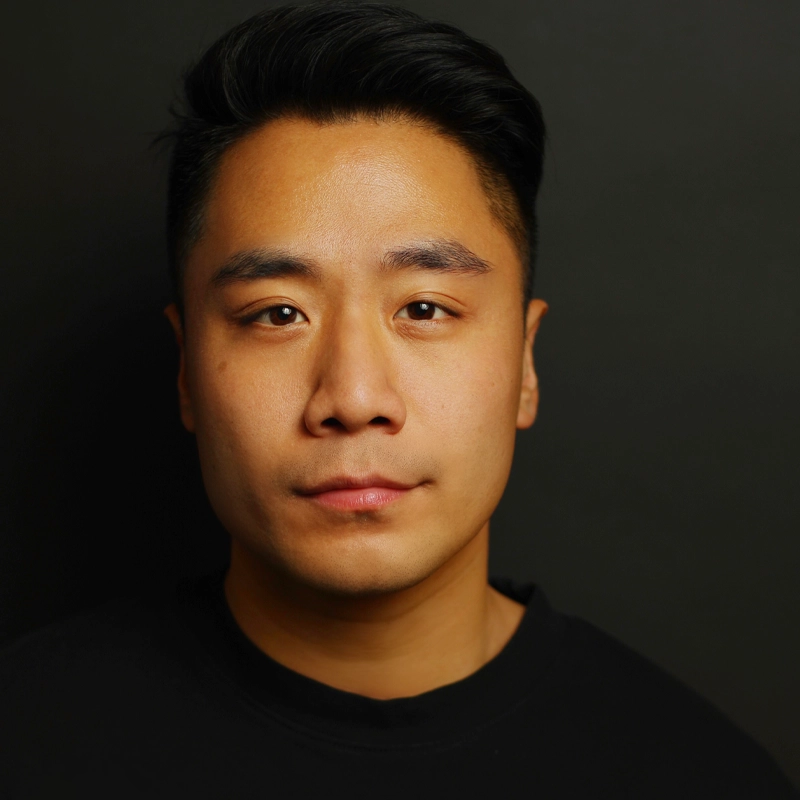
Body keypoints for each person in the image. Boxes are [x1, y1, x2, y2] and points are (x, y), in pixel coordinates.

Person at [1, 3, 796, 797]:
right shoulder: (29, 738)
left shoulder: (702, 775)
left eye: (424, 308)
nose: (352, 398)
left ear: (524, 360)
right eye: (278, 314)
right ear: (186, 370)